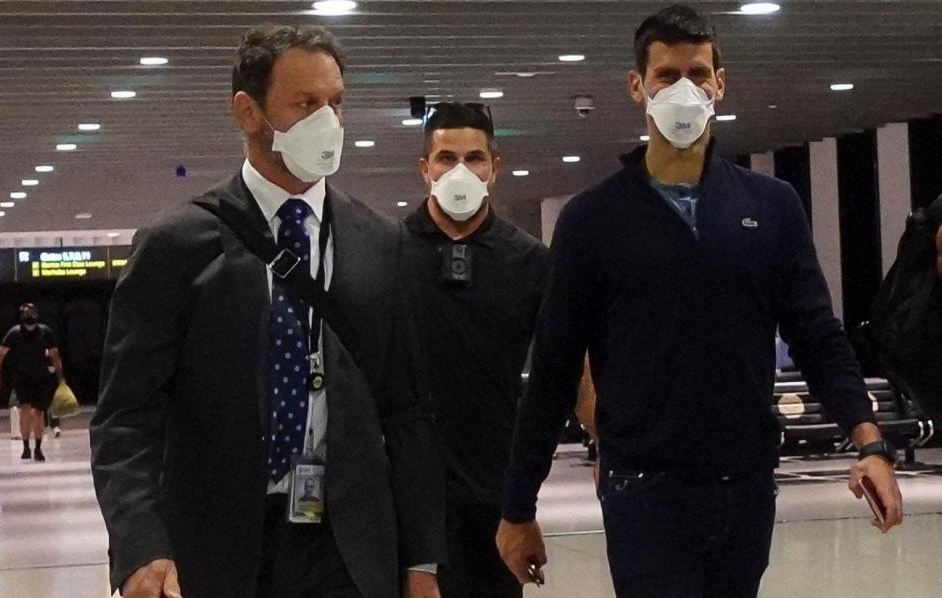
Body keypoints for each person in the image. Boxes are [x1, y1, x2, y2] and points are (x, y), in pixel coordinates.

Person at [496, 6, 904, 598]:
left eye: (697, 72)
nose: (683, 89)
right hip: (644, 490)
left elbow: (817, 334)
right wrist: (517, 507)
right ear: (638, 86)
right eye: (666, 75)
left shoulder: (771, 205)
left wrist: (868, 441)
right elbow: (555, 366)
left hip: (745, 486)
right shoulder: (593, 220)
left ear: (720, 83)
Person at [90, 25, 444, 598]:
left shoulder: (379, 243)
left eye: (335, 103)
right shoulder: (178, 244)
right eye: (305, 104)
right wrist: (140, 546)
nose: (326, 121)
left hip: (345, 542)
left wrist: (423, 560)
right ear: (248, 112)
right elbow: (126, 417)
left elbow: (406, 411)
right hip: (214, 544)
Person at [402, 102, 549, 598]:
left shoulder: (528, 262)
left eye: (475, 157)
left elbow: (572, 373)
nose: (460, 170)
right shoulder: (386, 255)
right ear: (425, 169)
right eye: (445, 157)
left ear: (494, 169)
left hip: (496, 495)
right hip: (406, 495)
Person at [0, 303, 64, 462]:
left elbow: (55, 355)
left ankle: (37, 448)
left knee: (38, 413)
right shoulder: (14, 333)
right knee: (25, 411)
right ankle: (25, 447)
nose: (29, 316)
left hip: (41, 378)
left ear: (36, 315)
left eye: (31, 312)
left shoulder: (45, 332)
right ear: (21, 316)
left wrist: (60, 378)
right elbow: (1, 354)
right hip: (22, 378)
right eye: (26, 313)